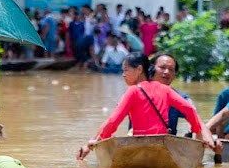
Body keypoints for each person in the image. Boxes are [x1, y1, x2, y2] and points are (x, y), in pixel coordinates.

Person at [77, 54, 217, 160]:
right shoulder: (166, 90)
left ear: (139, 70)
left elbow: (113, 121)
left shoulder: (132, 91)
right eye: (162, 68)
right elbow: (190, 110)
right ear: (152, 69)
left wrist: (99, 141)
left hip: (139, 144)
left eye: (126, 70)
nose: (123, 74)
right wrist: (197, 132)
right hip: (164, 145)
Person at [151, 53, 193, 135]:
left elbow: (197, 119)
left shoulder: (181, 98)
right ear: (151, 69)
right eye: (162, 68)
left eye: (171, 69)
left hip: (167, 144)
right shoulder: (136, 93)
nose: (167, 72)